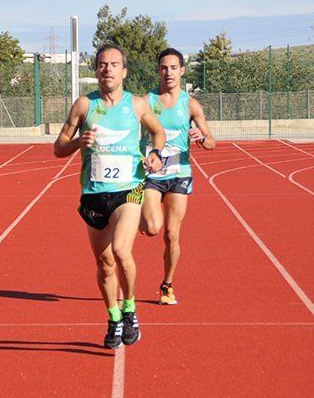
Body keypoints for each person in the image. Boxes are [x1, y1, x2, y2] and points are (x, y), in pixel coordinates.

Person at [54, 44, 166, 349]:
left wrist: (155, 154)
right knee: (104, 264)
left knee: (120, 249)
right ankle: (113, 317)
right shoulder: (83, 106)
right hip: (93, 193)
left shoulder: (138, 105)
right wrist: (79, 142)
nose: (108, 69)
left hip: (129, 189)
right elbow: (58, 148)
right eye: (102, 64)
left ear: (124, 71)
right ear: (96, 71)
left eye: (114, 64)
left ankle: (130, 310)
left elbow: (158, 133)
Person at [140, 48, 216, 305]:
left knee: (172, 235)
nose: (168, 72)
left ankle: (167, 284)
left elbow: (212, 143)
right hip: (152, 174)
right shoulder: (147, 101)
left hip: (179, 174)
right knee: (152, 228)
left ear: (182, 70)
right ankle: (135, 212)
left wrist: (201, 137)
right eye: (164, 67)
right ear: (158, 70)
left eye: (173, 67)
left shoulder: (191, 104)